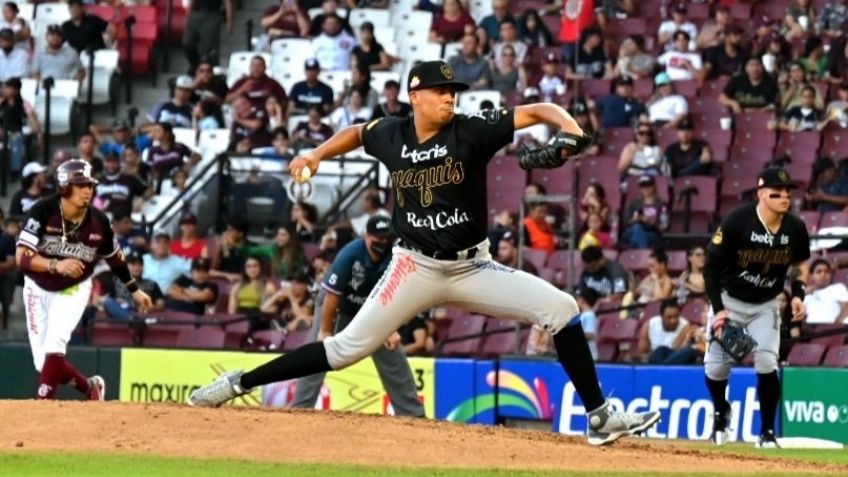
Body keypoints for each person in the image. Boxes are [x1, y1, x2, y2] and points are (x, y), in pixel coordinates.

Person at [188, 59, 660, 445]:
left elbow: (539, 109)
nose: (450, 96)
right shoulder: (392, 134)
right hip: (413, 265)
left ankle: (598, 416)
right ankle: (239, 382)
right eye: (440, 90)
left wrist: (571, 130)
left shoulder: (471, 130)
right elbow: (355, 132)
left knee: (562, 308)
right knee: (345, 349)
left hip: (473, 266)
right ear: (416, 96)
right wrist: (315, 154)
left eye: (453, 89)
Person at [16, 159, 153, 400]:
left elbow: (115, 259)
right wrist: (55, 265)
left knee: (55, 345)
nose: (87, 190)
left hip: (74, 287)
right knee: (43, 364)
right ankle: (90, 388)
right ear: (64, 187)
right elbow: (22, 256)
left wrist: (135, 290)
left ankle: (41, 403)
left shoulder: (99, 221)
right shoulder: (43, 211)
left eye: (89, 185)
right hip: (36, 286)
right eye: (80, 185)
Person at [704, 167, 811, 448]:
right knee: (716, 369)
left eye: (788, 193)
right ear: (761, 195)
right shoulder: (738, 221)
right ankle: (720, 410)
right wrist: (718, 310)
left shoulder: (795, 227)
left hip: (766, 303)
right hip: (729, 300)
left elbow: (800, 265)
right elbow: (711, 267)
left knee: (766, 362)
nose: (785, 197)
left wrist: (798, 294)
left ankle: (766, 432)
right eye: (777, 193)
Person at [288, 216, 425, 416]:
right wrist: (325, 332)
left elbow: (400, 295)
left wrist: (392, 329)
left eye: (387, 238)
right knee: (318, 351)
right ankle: (300, 409)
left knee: (394, 355)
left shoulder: (396, 256)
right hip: (338, 306)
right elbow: (332, 295)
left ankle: (414, 415)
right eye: (377, 238)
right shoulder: (350, 254)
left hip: (373, 309)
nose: (383, 242)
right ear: (366, 236)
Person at [96, 249, 165, 320]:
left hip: (145, 317)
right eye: (133, 264)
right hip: (121, 318)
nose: (137, 267)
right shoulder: (115, 282)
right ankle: (132, 320)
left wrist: (151, 308)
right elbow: (104, 301)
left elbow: (161, 304)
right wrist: (118, 302)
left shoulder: (151, 284)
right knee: (109, 302)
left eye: (140, 264)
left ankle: (134, 321)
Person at [638, 298, 702, 365]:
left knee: (662, 350)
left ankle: (660, 370)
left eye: (676, 317)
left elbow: (677, 349)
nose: (673, 321)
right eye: (669, 317)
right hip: (655, 358)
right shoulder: (649, 325)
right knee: (659, 352)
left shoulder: (685, 325)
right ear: (661, 316)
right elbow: (643, 352)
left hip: (675, 359)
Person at [183, 0, 233, 74]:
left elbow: (228, 2)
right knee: (187, 42)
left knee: (208, 48)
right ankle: (194, 64)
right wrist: (187, 17)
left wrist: (229, 21)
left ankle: (207, 71)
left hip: (212, 15)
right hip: (196, 13)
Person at [622, 175, 669, 249]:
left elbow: (664, 227)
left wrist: (651, 222)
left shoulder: (661, 204)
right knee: (637, 229)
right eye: (642, 186)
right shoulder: (634, 203)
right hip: (632, 230)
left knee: (638, 237)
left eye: (648, 186)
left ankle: (639, 253)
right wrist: (635, 219)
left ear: (653, 186)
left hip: (651, 232)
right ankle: (643, 254)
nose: (645, 189)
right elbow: (625, 223)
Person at [804, 257, 848, 324]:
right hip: (813, 330)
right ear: (811, 276)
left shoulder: (837, 288)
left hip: (834, 328)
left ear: (830, 275)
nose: (823, 275)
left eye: (827, 272)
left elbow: (846, 308)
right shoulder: (807, 296)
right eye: (819, 272)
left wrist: (836, 324)